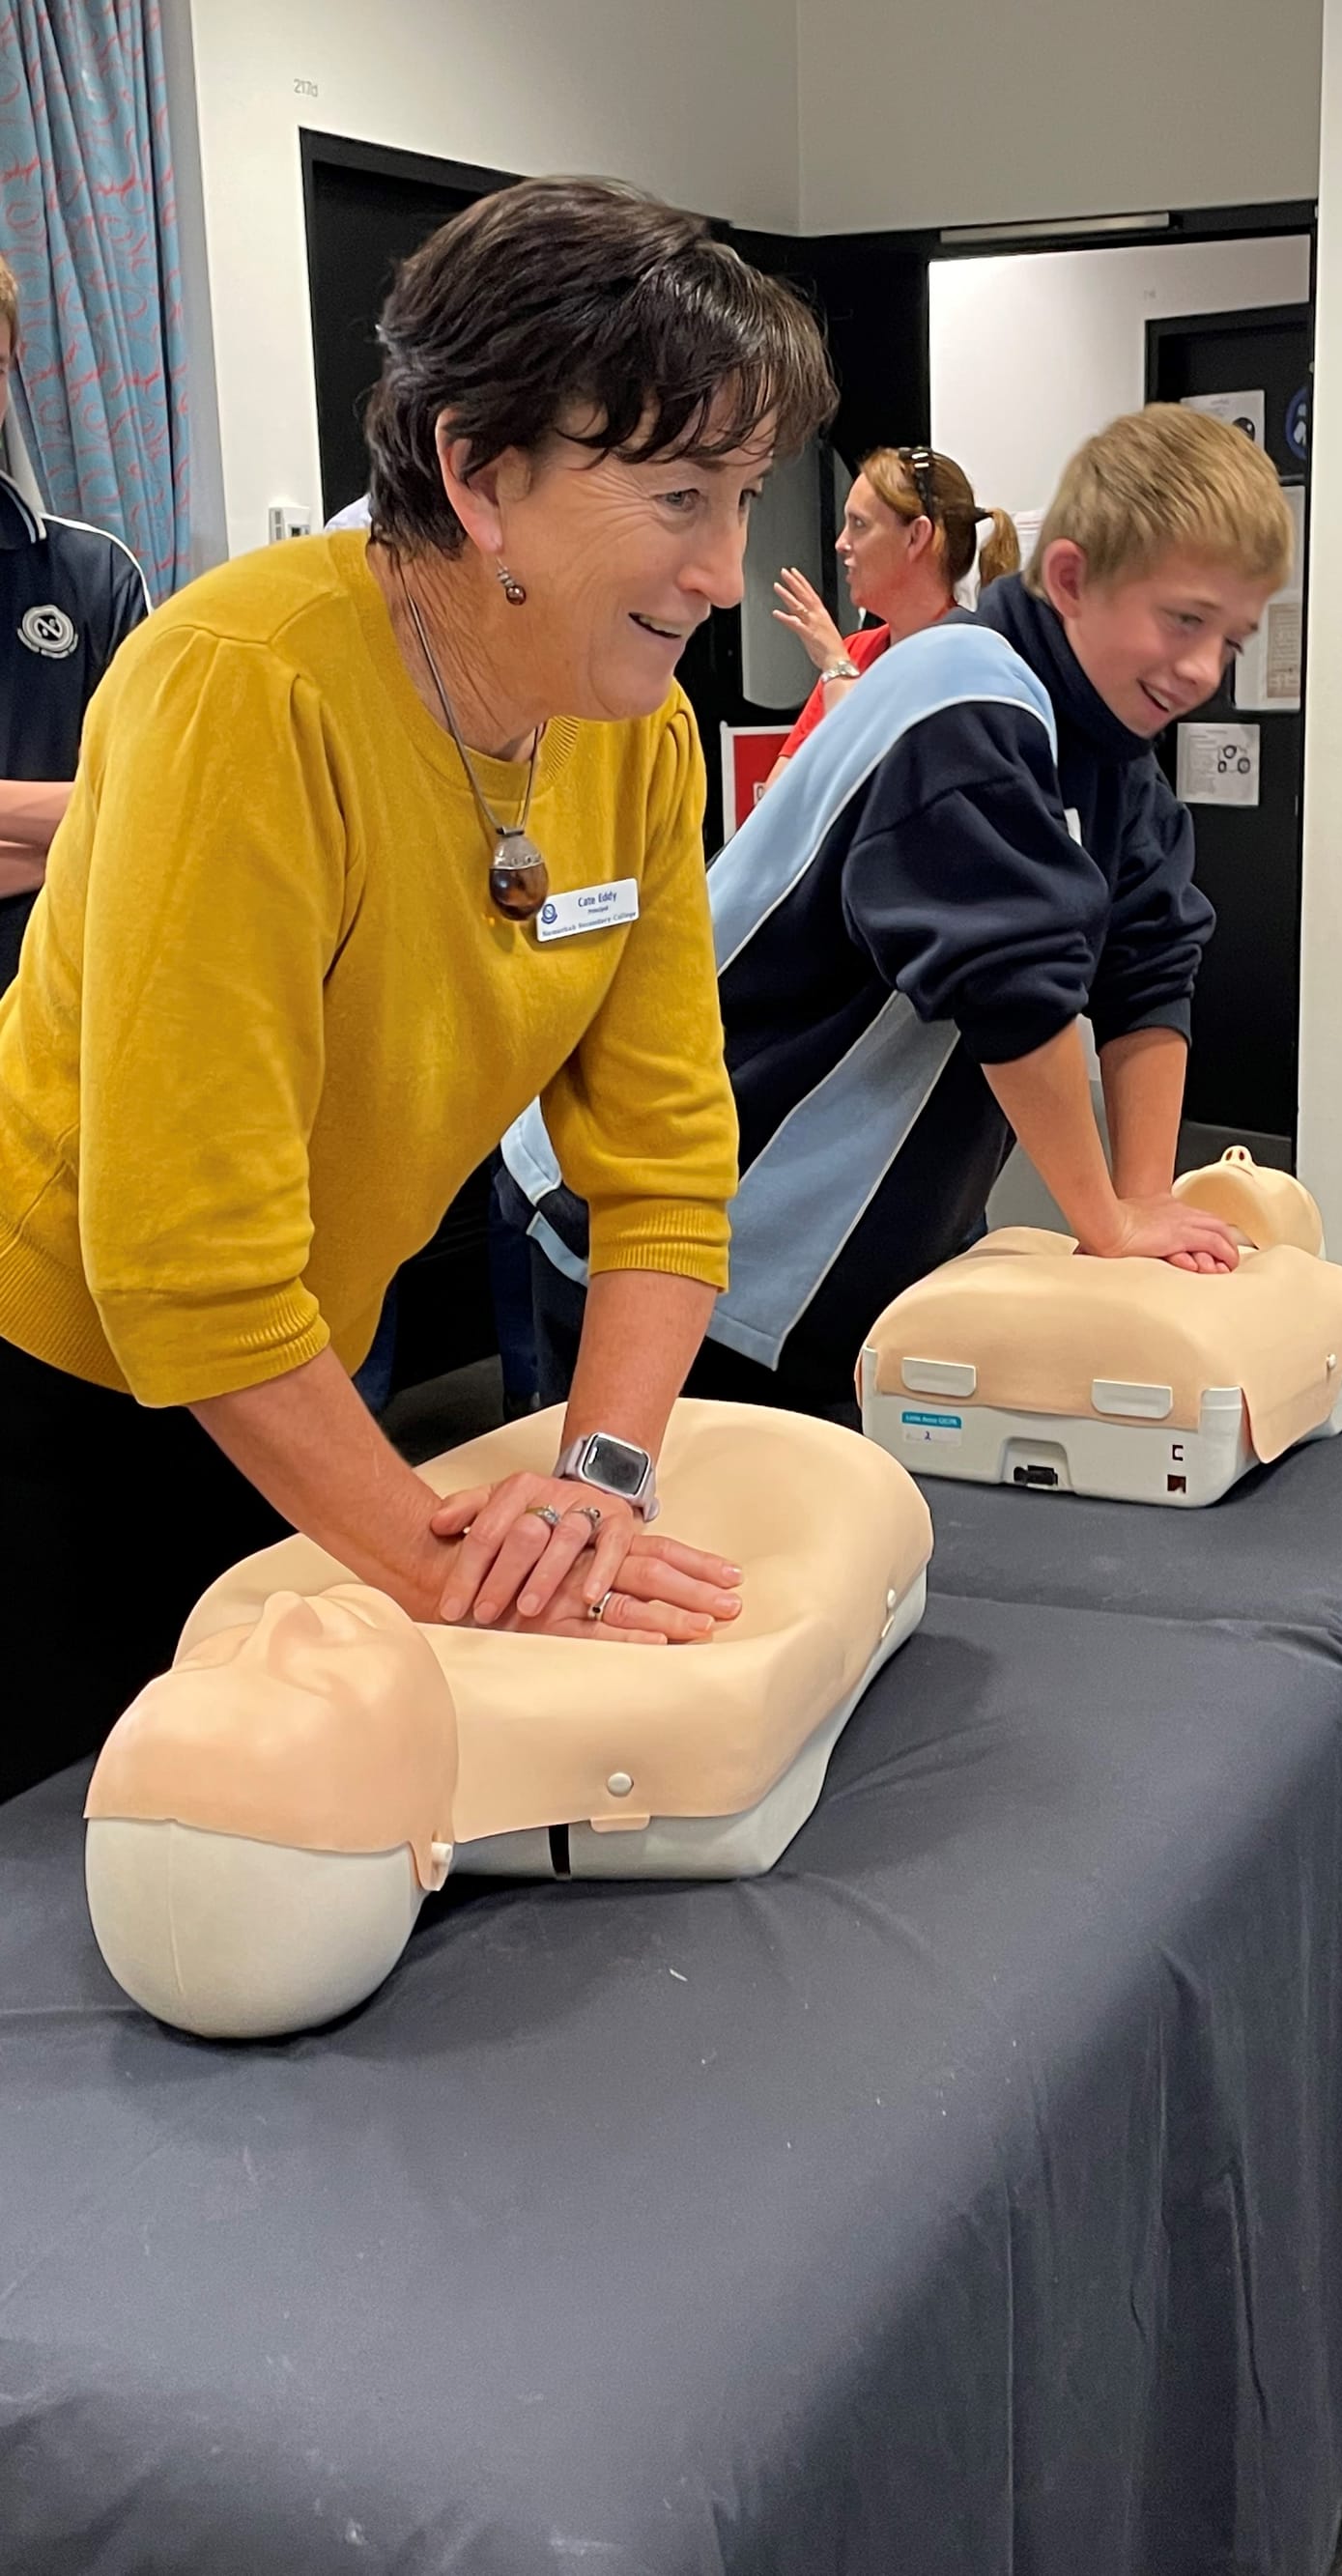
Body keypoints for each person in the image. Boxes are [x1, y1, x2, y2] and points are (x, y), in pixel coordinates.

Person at [0, 179, 837, 1805]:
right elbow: (179, 1261)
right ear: (476, 471)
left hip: (295, 1362)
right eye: (679, 497)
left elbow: (664, 1161)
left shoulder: (637, 732)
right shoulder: (242, 687)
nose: (727, 571)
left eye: (742, 496)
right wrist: (450, 1568)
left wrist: (599, 1480)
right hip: (46, 1391)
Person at [505, 404, 1293, 1419]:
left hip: (827, 1240)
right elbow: (1012, 988)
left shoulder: (1108, 753)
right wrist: (1101, 1221)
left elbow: (1151, 959)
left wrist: (1142, 1203)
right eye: (1180, 621)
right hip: (672, 1216)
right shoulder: (962, 699)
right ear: (1068, 581)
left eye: (1229, 639)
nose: (1201, 669)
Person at [0, 252, 151, 993]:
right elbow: (99, 816)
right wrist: (68, 825)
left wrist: (100, 822)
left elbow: (144, 803)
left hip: (60, 1001)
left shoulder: (96, 575)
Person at [764, 443, 1018, 781]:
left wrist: (837, 670)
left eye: (859, 524)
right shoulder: (855, 650)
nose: (841, 542)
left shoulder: (972, 664)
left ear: (916, 536)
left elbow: (879, 789)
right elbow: (778, 791)